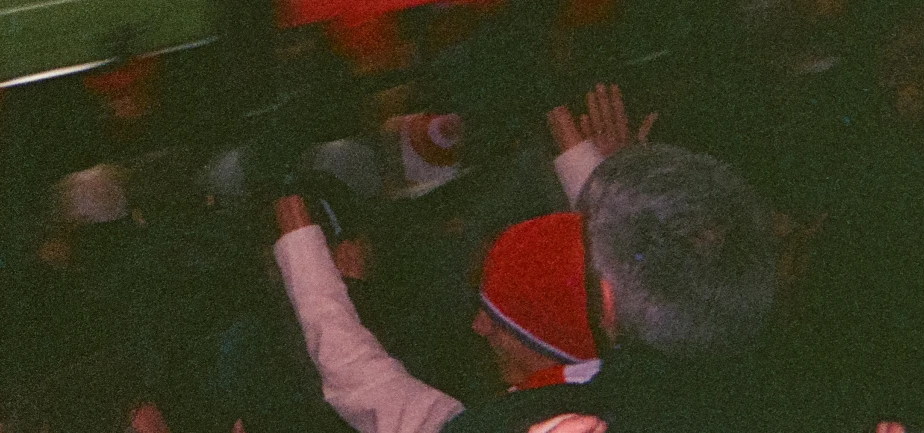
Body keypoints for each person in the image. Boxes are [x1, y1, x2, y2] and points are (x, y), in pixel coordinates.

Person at [275, 129, 790, 433]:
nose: (478, 326)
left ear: (606, 302)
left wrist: (300, 242)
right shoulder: (768, 385)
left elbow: (364, 383)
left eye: (498, 317)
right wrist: (631, 195)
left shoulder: (524, 421)